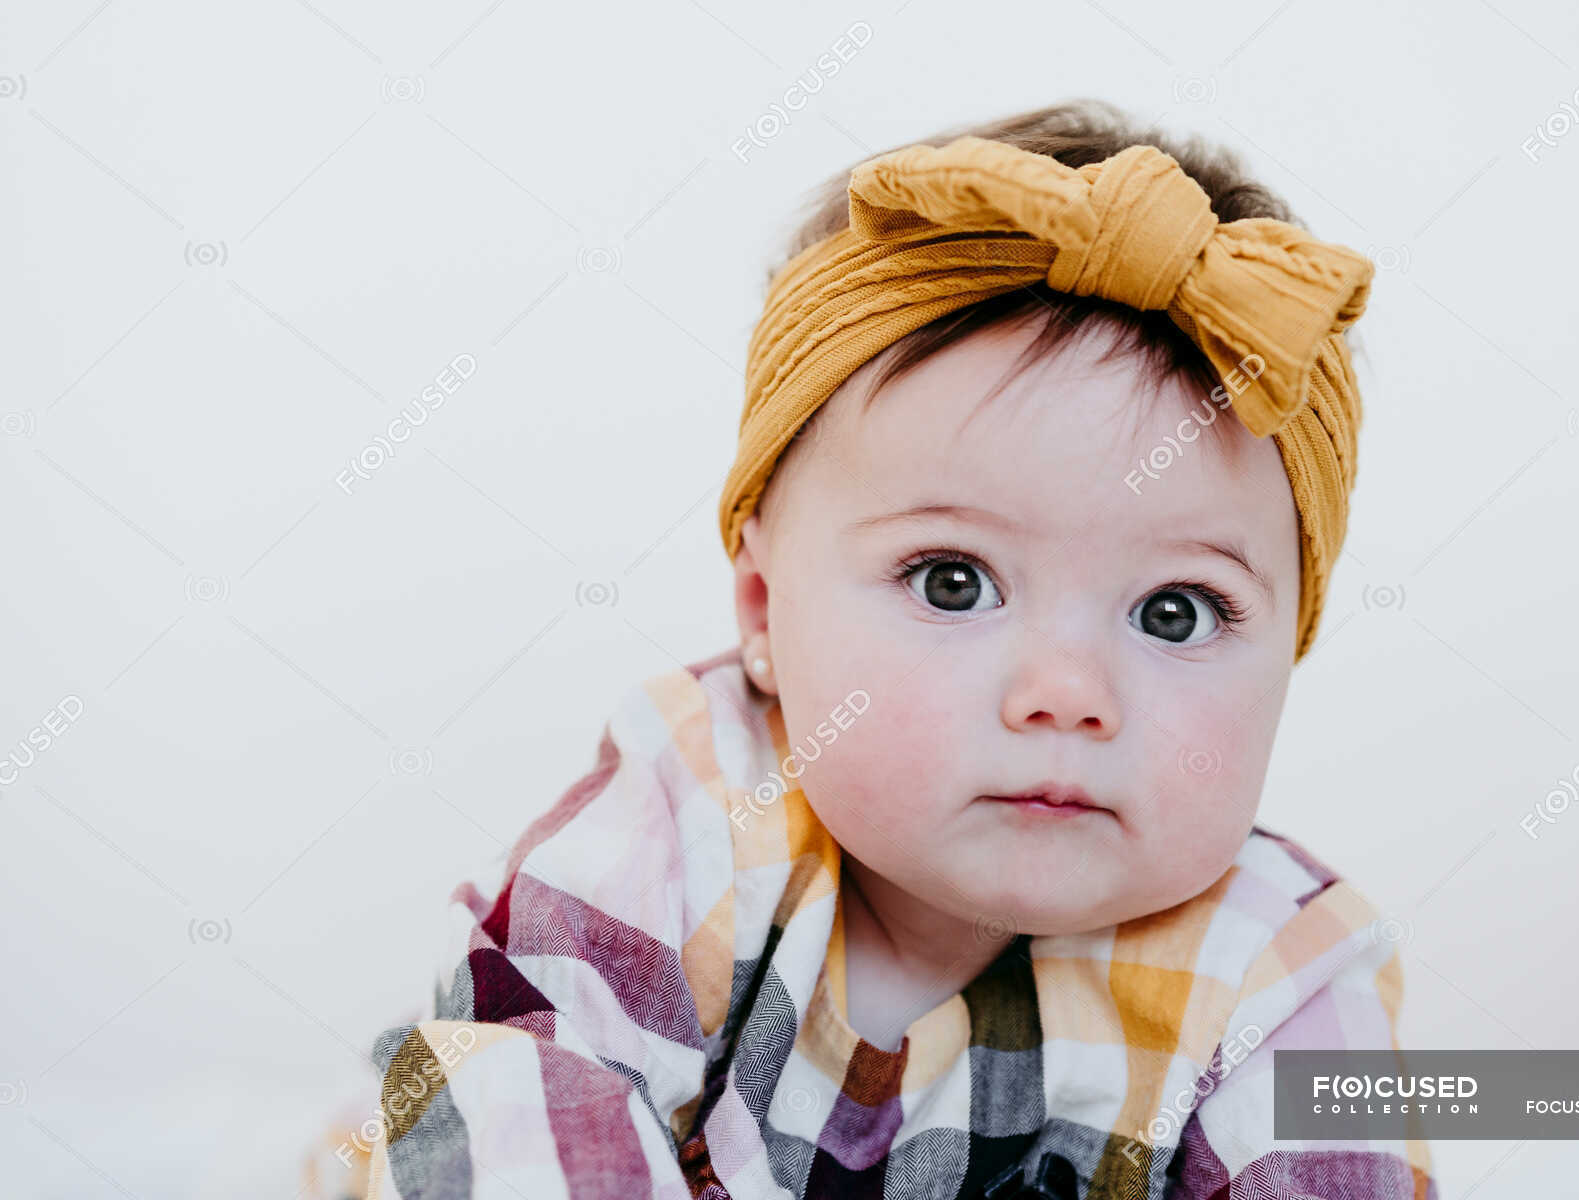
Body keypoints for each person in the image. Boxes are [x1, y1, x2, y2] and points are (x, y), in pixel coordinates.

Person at [339, 99, 1436, 1199]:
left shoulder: (1286, 967)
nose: (1067, 695)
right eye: (952, 583)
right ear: (765, 613)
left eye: (1176, 613)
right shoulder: (694, 814)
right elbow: (514, 1072)